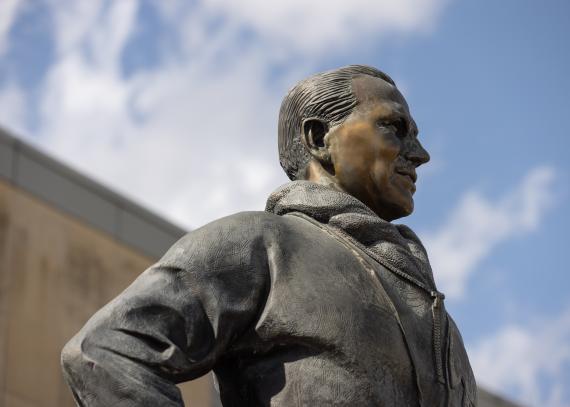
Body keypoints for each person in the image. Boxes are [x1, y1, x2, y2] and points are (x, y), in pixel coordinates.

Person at [61, 65, 477, 406]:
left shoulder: (436, 315)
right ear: (319, 139)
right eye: (394, 127)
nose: (419, 154)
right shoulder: (261, 244)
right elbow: (107, 349)